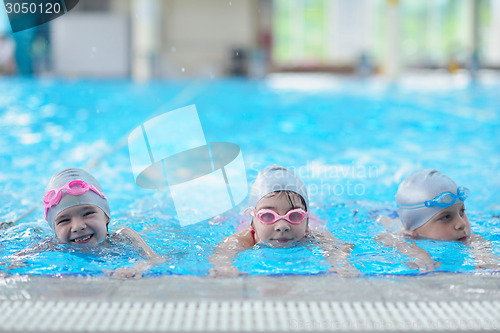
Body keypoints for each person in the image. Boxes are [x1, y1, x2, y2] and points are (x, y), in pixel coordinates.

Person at [6, 168, 165, 278]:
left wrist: (135, 269)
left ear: (107, 217)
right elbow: (12, 261)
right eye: (64, 220)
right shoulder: (50, 245)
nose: (78, 226)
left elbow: (157, 259)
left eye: (88, 213)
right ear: (54, 230)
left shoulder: (124, 236)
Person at [209, 165, 358, 277]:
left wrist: (341, 264)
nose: (282, 226)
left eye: (294, 215)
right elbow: (224, 252)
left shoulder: (312, 234)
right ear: (252, 221)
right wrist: (223, 266)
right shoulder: (245, 238)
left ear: (306, 225)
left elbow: (339, 248)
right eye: (268, 215)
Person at [375, 169, 499, 273]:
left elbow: (475, 240)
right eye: (446, 217)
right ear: (414, 229)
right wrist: (409, 250)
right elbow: (383, 237)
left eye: (462, 211)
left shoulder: (465, 235)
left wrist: (483, 254)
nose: (461, 224)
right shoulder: (403, 234)